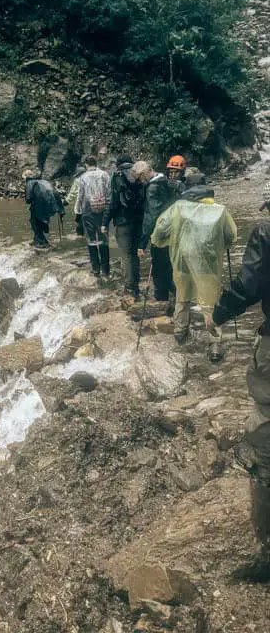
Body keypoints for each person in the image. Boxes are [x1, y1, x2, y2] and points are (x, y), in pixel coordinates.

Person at [212, 183, 270, 574]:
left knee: (266, 441)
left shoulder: (266, 230)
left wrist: (220, 312)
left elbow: (250, 285)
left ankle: (267, 555)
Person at [151, 186, 236, 344]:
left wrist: (157, 240)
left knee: (182, 296)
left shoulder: (179, 208)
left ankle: (180, 334)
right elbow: (230, 235)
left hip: (183, 260)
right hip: (208, 262)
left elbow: (161, 229)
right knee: (209, 300)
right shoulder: (220, 210)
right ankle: (215, 342)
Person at [132, 160, 178, 303]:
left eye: (139, 179)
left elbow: (151, 218)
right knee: (172, 268)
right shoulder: (167, 181)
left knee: (159, 272)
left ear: (144, 174)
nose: (140, 182)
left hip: (161, 234)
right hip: (175, 230)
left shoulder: (152, 189)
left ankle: (162, 302)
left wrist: (142, 243)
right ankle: (181, 299)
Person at [101, 155, 144, 299]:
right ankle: (136, 286)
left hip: (123, 221)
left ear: (118, 164)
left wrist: (104, 222)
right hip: (139, 220)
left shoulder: (117, 176)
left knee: (126, 255)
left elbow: (112, 201)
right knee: (135, 253)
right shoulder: (138, 174)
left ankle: (129, 288)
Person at [76, 155, 111, 277]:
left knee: (91, 240)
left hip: (88, 211)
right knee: (104, 240)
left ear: (86, 164)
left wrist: (77, 211)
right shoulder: (105, 174)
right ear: (96, 163)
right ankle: (106, 270)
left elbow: (80, 196)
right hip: (103, 211)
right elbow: (109, 193)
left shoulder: (83, 177)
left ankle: (95, 268)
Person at [23, 169, 64, 248]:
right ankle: (37, 239)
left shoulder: (29, 182)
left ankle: (41, 242)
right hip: (50, 204)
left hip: (40, 205)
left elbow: (28, 199)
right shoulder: (43, 181)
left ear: (25, 177)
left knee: (34, 222)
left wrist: (31, 203)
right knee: (42, 221)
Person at [67, 166, 86, 235]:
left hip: (81, 205)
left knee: (79, 223)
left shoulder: (78, 180)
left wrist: (66, 201)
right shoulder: (90, 178)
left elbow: (72, 193)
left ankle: (80, 236)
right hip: (92, 205)